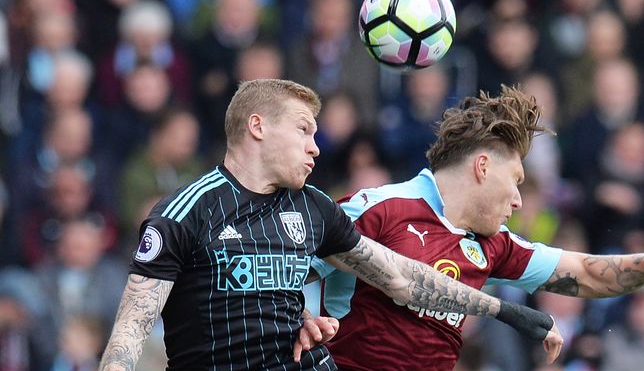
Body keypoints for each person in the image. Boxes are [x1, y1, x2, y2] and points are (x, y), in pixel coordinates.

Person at [98, 79, 562, 371]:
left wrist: (508, 311)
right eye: (303, 130)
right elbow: (130, 331)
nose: (316, 147)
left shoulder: (313, 208)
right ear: (257, 127)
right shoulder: (185, 213)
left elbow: (400, 276)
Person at [313, 85, 644, 370]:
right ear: (483, 168)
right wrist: (303, 323)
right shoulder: (378, 209)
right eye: (516, 180)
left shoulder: (495, 244)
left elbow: (587, 274)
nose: (519, 200)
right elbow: (292, 268)